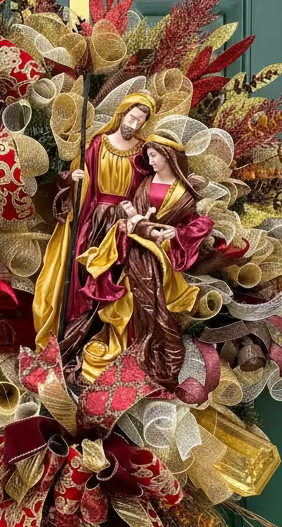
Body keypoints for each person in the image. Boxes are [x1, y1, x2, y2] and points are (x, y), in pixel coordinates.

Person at [77, 132, 216, 391]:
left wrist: (176, 233)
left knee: (152, 304)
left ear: (168, 156)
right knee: (127, 300)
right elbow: (135, 217)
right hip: (136, 252)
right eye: (149, 156)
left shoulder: (184, 194)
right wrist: (131, 219)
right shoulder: (146, 183)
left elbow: (195, 223)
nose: (150, 160)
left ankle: (145, 355)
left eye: (154, 155)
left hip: (160, 257)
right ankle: (123, 350)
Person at [32, 91, 156, 358]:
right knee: (83, 273)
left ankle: (103, 335)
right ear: (122, 113)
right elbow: (80, 177)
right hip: (94, 219)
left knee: (114, 277)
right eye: (132, 118)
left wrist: (135, 209)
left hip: (122, 223)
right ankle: (76, 335)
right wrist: (72, 178)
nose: (134, 125)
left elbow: (148, 187)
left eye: (140, 122)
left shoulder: (143, 151)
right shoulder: (98, 144)